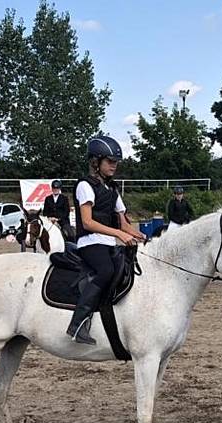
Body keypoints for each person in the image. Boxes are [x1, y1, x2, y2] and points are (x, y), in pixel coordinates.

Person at [68, 135, 146, 344]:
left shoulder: (112, 189)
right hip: (90, 242)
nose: (114, 166)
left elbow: (123, 223)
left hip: (108, 242)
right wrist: (120, 234)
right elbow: (87, 222)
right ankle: (78, 323)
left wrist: (140, 235)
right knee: (106, 271)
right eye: (110, 162)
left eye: (116, 163)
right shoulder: (85, 186)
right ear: (96, 162)